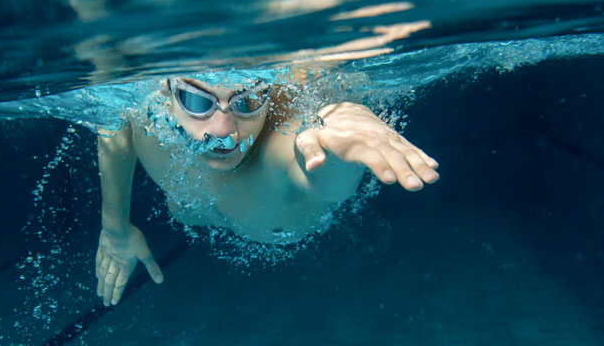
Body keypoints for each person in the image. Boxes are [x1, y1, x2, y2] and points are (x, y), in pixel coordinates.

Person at [95, 75, 439, 306]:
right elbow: (115, 127)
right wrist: (115, 227)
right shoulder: (144, 114)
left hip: (279, 224)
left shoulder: (279, 147)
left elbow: (319, 170)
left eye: (247, 102)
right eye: (198, 102)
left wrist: (342, 138)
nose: (224, 131)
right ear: (165, 94)